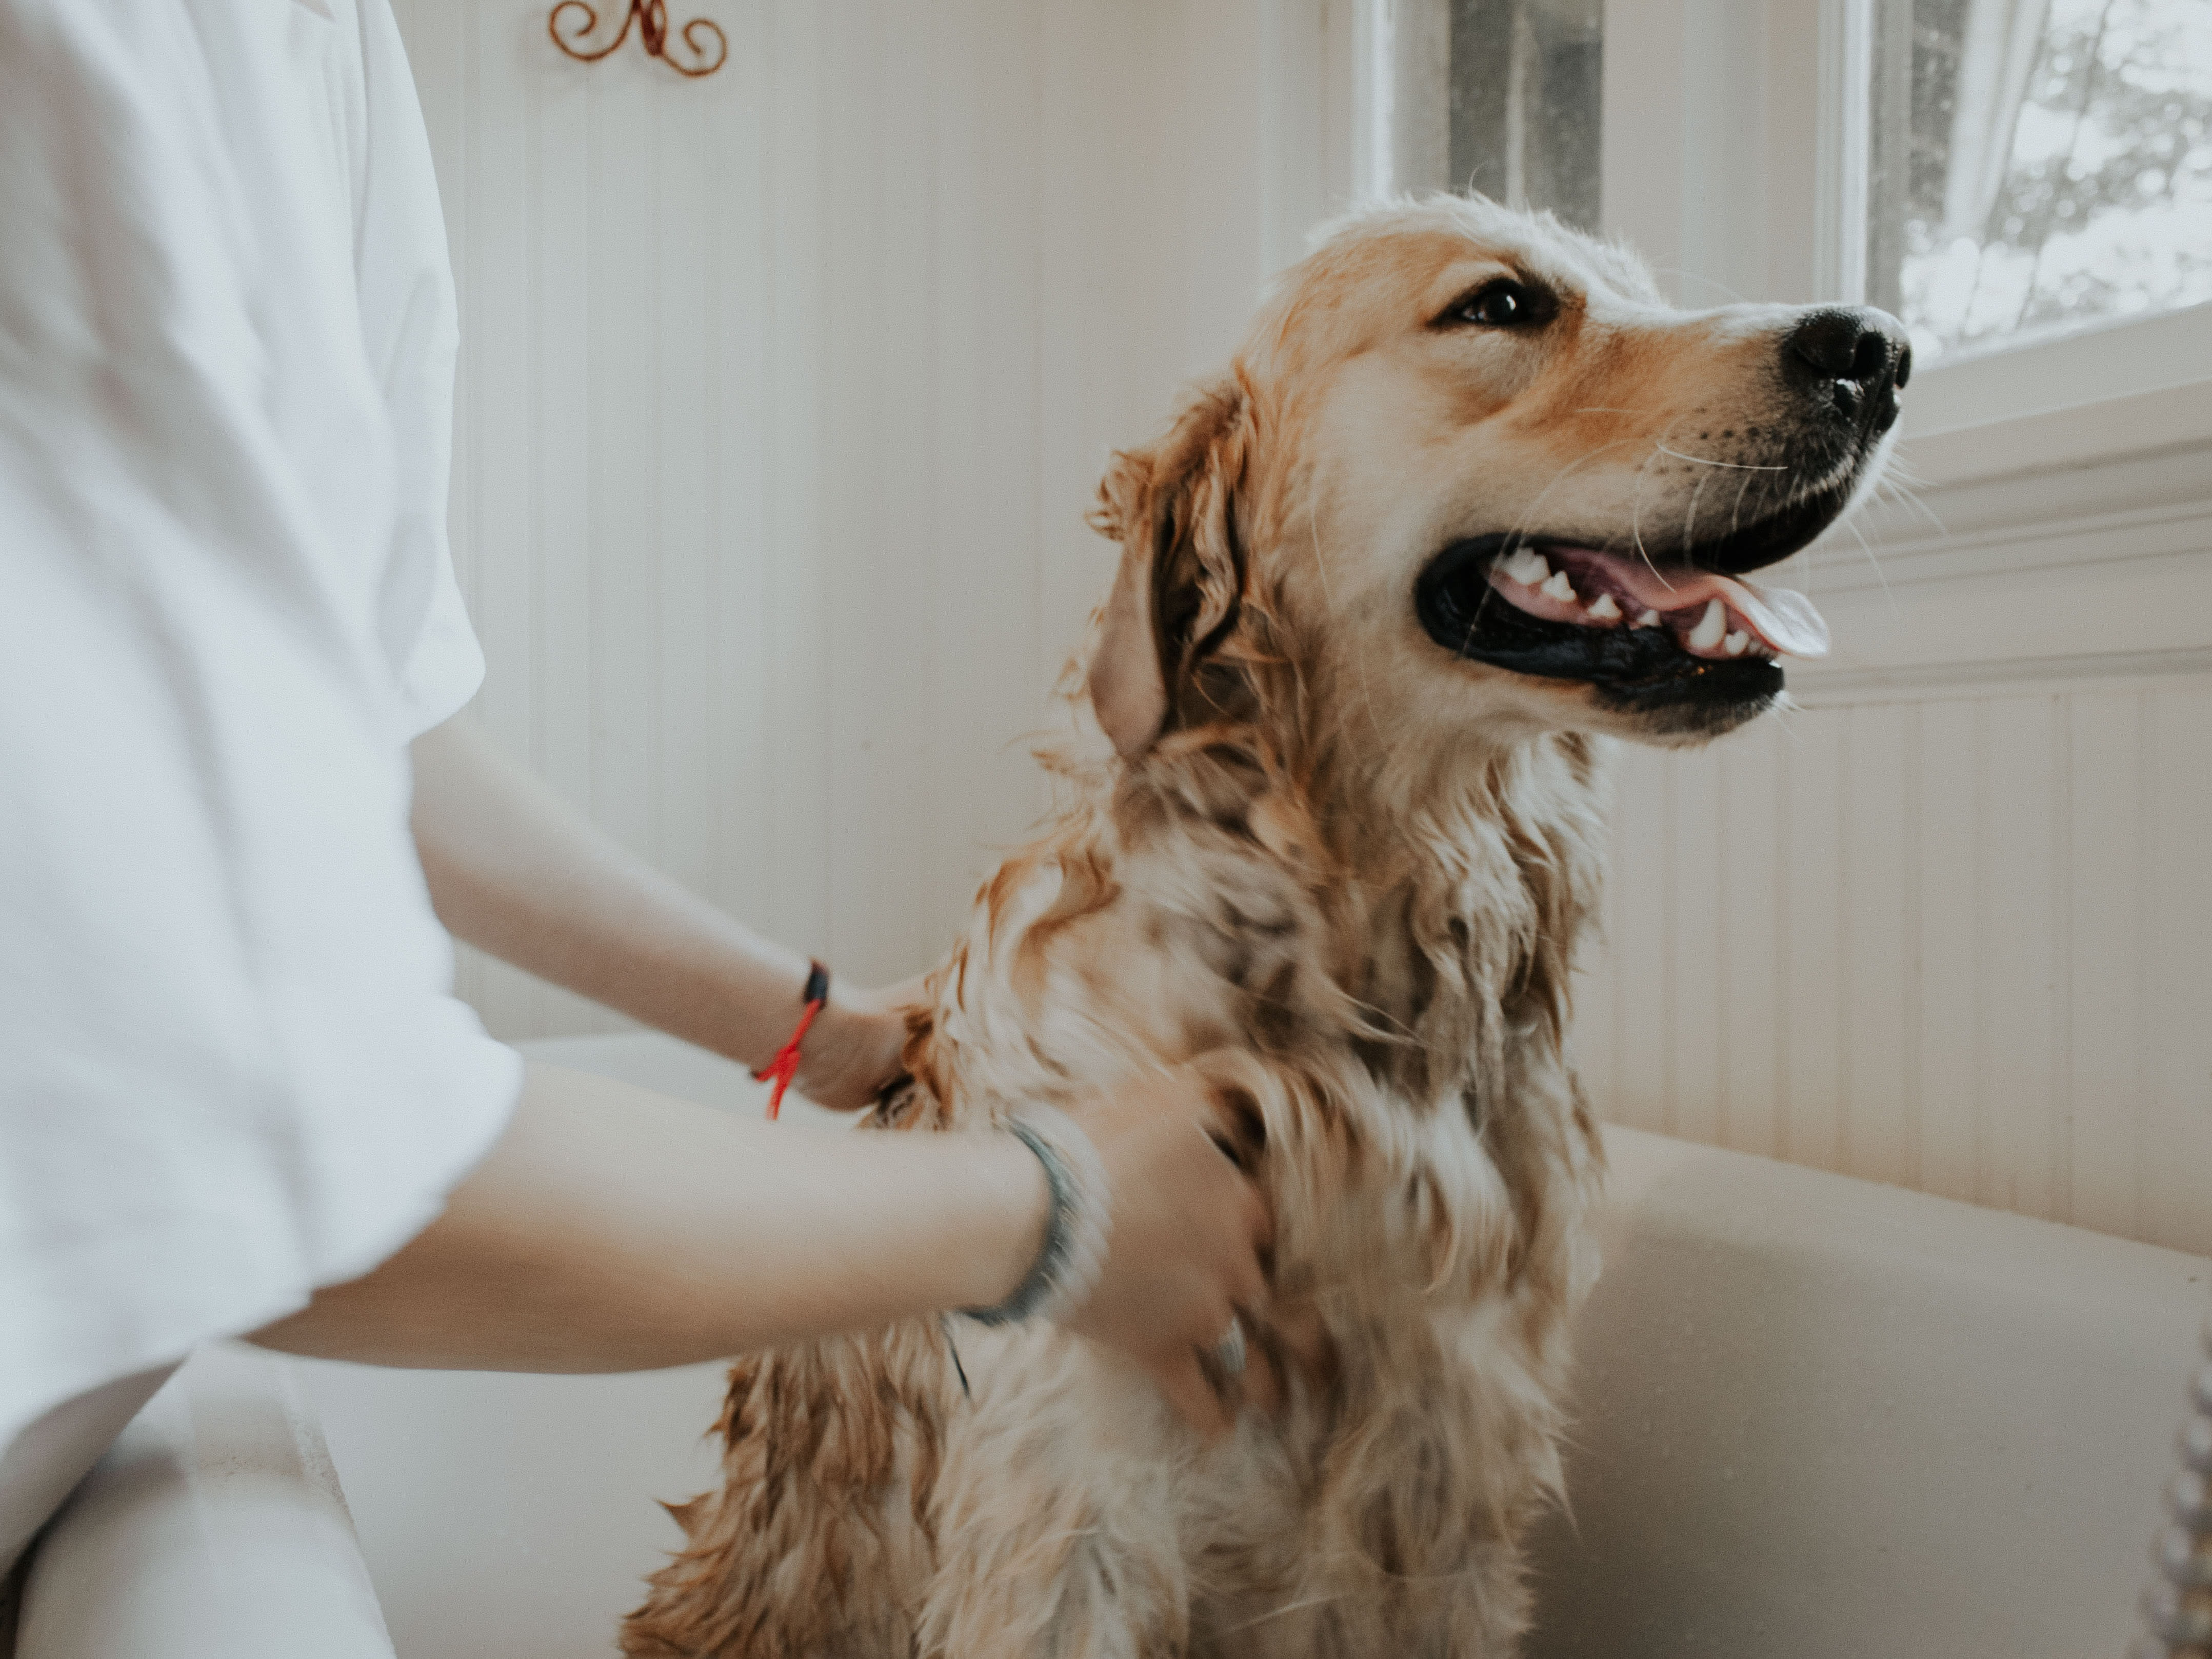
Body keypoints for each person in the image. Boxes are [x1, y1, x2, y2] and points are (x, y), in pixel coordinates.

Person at [0, 0, 1271, 1614]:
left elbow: (361, 737)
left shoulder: (316, 46)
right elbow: (264, 1139)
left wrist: (819, 1033)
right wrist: (1056, 1215)